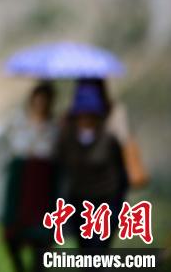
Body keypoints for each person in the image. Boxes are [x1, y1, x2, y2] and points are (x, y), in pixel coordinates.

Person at [0, 81, 59, 272]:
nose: (40, 104)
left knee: (41, 240)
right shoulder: (17, 122)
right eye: (38, 100)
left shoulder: (54, 128)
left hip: (42, 187)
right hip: (20, 185)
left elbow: (58, 157)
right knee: (13, 237)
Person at [56, 78, 129, 250]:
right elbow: (61, 164)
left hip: (106, 201)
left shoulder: (109, 136)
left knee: (98, 248)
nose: (86, 119)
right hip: (79, 201)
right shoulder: (68, 136)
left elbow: (121, 173)